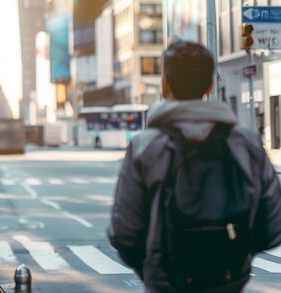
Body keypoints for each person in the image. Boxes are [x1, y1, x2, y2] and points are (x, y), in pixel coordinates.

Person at [109, 40, 281, 293]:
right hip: (229, 278)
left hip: (166, 280)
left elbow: (125, 233)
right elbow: (271, 226)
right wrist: (237, 260)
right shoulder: (246, 143)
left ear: (165, 84)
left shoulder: (146, 146)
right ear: (210, 85)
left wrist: (154, 271)